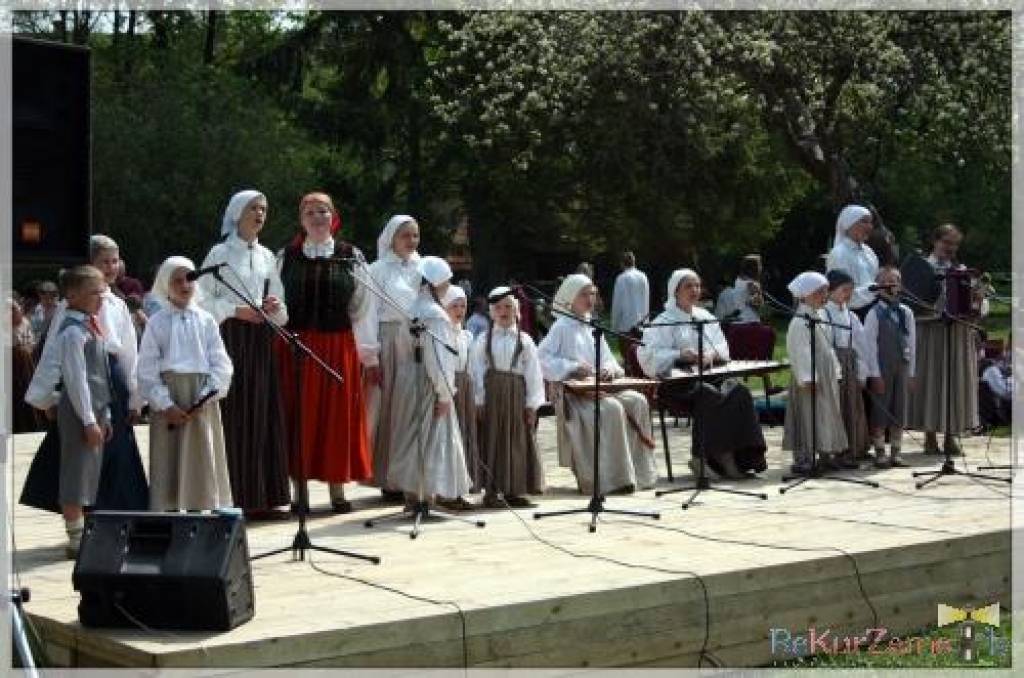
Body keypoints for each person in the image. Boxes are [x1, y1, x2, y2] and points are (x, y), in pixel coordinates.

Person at [22, 235, 149, 515]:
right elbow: (55, 351)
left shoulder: (117, 304)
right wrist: (47, 398)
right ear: (90, 264)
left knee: (116, 450)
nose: (111, 267)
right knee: (79, 450)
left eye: (115, 261)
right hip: (80, 379)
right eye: (104, 261)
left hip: (112, 378)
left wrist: (135, 398)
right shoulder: (72, 307)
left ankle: (114, 516)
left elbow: (129, 353)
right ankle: (80, 519)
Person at [276, 192, 374, 513]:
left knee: (337, 416)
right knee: (299, 415)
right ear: (301, 219)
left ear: (333, 216)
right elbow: (275, 301)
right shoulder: (285, 256)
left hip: (337, 344)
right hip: (296, 344)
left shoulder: (351, 256)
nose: (317, 217)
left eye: (323, 211)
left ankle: (337, 490)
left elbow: (363, 307)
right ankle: (299, 492)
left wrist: (367, 353)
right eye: (310, 212)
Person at [197, 190, 291, 518]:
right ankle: (235, 495)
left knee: (263, 412)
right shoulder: (219, 253)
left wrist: (274, 307)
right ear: (237, 212)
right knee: (237, 413)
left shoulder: (267, 256)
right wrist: (235, 310)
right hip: (232, 338)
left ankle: (265, 495)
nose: (260, 214)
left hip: (262, 340)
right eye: (254, 208)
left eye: (264, 209)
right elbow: (200, 298)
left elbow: (280, 303)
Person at [638, 268, 767, 479]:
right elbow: (648, 357)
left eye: (697, 285)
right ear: (675, 291)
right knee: (708, 393)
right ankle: (702, 457)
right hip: (678, 384)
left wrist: (710, 354)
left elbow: (723, 349)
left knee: (739, 392)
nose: (695, 290)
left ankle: (735, 458)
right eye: (689, 286)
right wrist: (680, 354)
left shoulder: (705, 316)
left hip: (708, 375)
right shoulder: (663, 320)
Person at [539, 273, 658, 495]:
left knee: (638, 401)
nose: (590, 298)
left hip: (600, 388)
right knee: (611, 409)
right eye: (584, 294)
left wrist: (609, 370)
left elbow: (610, 360)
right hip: (576, 395)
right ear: (570, 298)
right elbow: (543, 358)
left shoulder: (593, 327)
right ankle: (612, 479)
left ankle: (640, 474)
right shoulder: (561, 327)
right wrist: (572, 367)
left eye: (592, 293)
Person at [139, 257, 234, 511]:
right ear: (165, 284)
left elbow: (221, 363)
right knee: (169, 458)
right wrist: (165, 404)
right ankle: (169, 510)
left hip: (200, 398)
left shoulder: (206, 320)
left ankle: (199, 509)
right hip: (169, 398)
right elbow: (146, 369)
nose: (184, 285)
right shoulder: (157, 323)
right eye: (177, 280)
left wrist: (205, 396)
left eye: (189, 278)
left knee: (200, 456)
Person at [387, 256, 473, 507]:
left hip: (407, 378)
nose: (447, 288)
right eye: (446, 283)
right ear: (435, 284)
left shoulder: (412, 307)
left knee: (412, 437)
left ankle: (413, 496)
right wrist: (445, 394)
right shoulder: (435, 315)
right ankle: (425, 496)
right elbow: (439, 359)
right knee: (431, 438)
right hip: (427, 382)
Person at [43, 266, 112, 557]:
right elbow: (76, 378)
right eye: (94, 292)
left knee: (88, 472)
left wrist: (104, 413)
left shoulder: (90, 325)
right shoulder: (72, 332)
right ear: (72, 295)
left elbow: (102, 373)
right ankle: (75, 538)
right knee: (75, 472)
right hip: (79, 411)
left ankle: (82, 532)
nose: (101, 297)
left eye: (102, 291)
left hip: (95, 409)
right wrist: (88, 420)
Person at [906, 223, 984, 455]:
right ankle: (930, 435)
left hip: (957, 334)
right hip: (931, 331)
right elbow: (912, 299)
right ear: (936, 241)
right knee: (931, 381)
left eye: (955, 244)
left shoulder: (961, 270)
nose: (950, 248)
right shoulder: (922, 267)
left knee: (954, 384)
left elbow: (974, 306)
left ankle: (951, 435)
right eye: (946, 242)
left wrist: (977, 298)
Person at [363, 214, 423, 502]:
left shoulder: (423, 268)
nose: (411, 241)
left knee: (414, 407)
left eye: (415, 235)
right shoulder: (377, 270)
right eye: (405, 235)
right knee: (389, 408)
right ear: (391, 238)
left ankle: (414, 473)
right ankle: (388, 476)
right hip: (389, 342)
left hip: (419, 342)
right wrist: (370, 356)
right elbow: (366, 314)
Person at [471, 286, 546, 507]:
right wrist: (479, 400)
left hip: (516, 395)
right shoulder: (484, 340)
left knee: (516, 439)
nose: (504, 312)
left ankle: (516, 488)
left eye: (508, 307)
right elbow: (476, 371)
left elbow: (533, 373)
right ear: (492, 312)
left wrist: (532, 404)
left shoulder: (525, 341)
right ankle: (492, 490)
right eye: (499, 308)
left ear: (517, 311)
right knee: (492, 439)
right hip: (492, 395)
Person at [782, 271, 848, 475]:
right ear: (806, 294)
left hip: (824, 374)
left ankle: (825, 453)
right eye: (820, 292)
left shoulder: (819, 316)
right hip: (810, 377)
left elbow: (828, 347)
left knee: (825, 415)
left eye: (825, 291)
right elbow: (799, 351)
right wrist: (808, 377)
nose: (824, 296)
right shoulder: (799, 321)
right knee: (808, 415)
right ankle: (804, 458)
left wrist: (835, 369)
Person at [862, 266, 916, 468]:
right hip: (882, 367)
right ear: (878, 286)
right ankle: (880, 451)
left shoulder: (906, 312)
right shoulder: (874, 314)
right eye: (886, 281)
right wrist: (874, 374)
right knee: (880, 409)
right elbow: (869, 346)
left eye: (895, 281)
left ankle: (896, 451)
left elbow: (912, 344)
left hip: (901, 366)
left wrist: (911, 372)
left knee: (899, 409)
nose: (891, 284)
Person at [822, 269, 870, 467]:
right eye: (844, 290)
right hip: (832, 365)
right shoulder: (824, 314)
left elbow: (861, 346)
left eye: (851, 290)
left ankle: (850, 451)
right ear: (831, 291)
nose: (848, 294)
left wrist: (862, 372)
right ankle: (833, 452)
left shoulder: (851, 316)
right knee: (836, 408)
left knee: (851, 408)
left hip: (849, 365)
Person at [442, 284, 482, 493]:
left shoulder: (467, 336)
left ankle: (467, 482)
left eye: (463, 306)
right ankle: (448, 487)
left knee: (465, 433)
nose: (459, 310)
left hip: (464, 388)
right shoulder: (442, 334)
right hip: (448, 387)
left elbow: (473, 369)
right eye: (454, 306)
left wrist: (476, 397)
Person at [826, 205, 880, 316]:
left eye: (870, 222)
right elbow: (841, 291)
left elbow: (875, 280)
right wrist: (872, 291)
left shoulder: (869, 252)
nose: (869, 227)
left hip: (873, 310)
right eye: (864, 222)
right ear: (849, 224)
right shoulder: (839, 254)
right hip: (850, 313)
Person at [8, 295, 45, 433]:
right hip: (10, 363)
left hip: (25, 364)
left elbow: (32, 342)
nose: (11, 312)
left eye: (13, 309)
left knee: (26, 391)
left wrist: (27, 349)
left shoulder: (25, 323)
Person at [715, 254, 763, 324]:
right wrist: (759, 295)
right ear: (755, 268)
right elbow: (758, 306)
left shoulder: (738, 281)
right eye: (759, 265)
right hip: (750, 321)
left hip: (737, 321)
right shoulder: (753, 284)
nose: (761, 268)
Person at [611, 251, 650, 333]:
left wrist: (614, 327)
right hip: (642, 325)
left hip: (626, 326)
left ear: (622, 263)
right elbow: (646, 301)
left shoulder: (621, 278)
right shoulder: (643, 277)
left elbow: (617, 304)